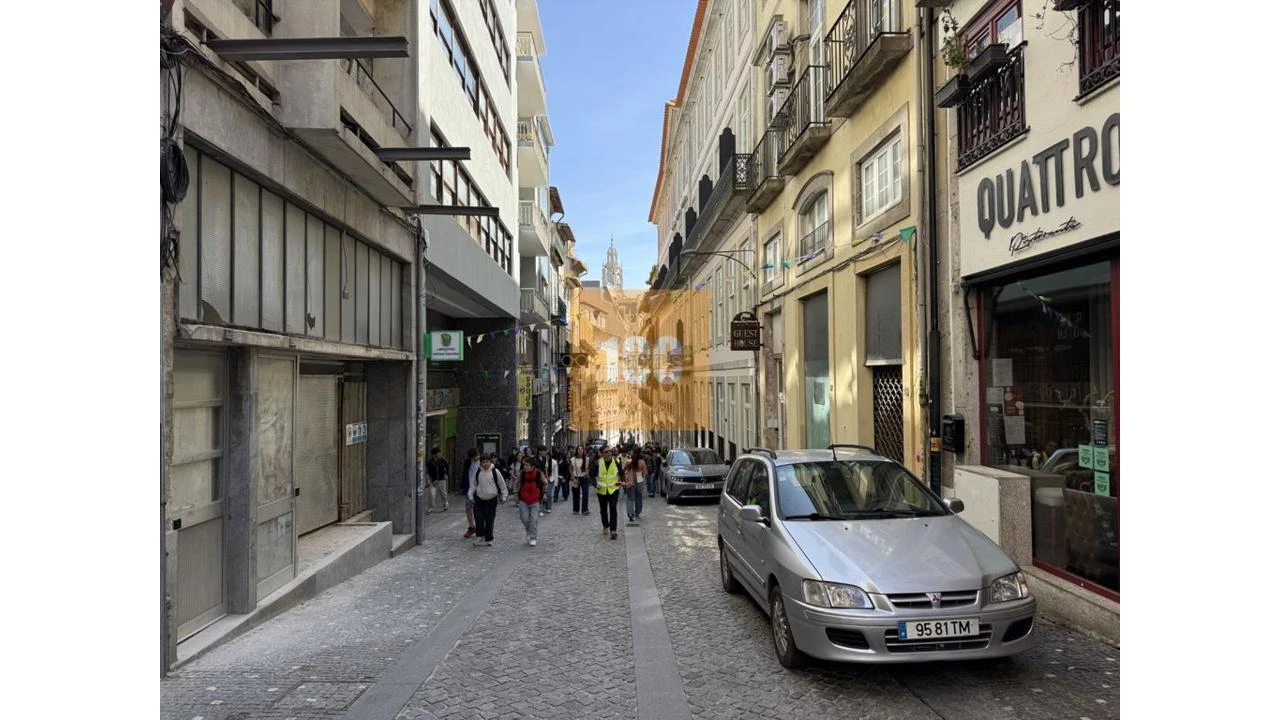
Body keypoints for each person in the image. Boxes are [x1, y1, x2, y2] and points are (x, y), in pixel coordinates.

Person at [467, 454, 507, 546]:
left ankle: (489, 538)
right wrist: (470, 496)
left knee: (490, 520)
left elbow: (502, 485)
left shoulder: (495, 472)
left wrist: (504, 496)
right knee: (479, 519)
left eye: (487, 462)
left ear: (490, 462)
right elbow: (473, 485)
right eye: (483, 462)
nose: (485, 464)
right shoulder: (478, 472)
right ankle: (480, 536)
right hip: (479, 500)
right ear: (481, 463)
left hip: (491, 500)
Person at [590, 446, 623, 539]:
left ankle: (613, 530)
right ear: (601, 454)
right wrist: (595, 484)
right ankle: (605, 525)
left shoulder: (616, 461)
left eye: (610, 451)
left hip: (613, 489)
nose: (609, 453)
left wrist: (622, 481)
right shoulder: (597, 463)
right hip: (602, 490)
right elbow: (591, 476)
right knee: (603, 510)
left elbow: (621, 472)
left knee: (613, 508)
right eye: (606, 452)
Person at [516, 457, 547, 546]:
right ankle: (529, 531)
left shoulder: (538, 473)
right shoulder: (522, 473)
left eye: (527, 465)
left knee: (534, 519)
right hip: (523, 499)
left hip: (535, 500)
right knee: (524, 518)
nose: (525, 467)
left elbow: (545, 482)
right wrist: (515, 493)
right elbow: (516, 482)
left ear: (532, 466)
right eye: (524, 465)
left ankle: (533, 537)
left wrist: (545, 493)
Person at [459, 448, 480, 538]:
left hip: (479, 489)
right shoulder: (467, 462)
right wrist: (463, 487)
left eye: (475, 456)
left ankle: (479, 527)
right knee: (468, 508)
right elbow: (464, 474)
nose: (474, 459)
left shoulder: (482, 462)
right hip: (469, 488)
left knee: (478, 509)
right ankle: (471, 527)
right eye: (472, 457)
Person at [624, 449, 648, 523]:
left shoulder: (629, 462)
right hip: (639, 481)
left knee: (630, 498)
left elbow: (624, 470)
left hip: (630, 482)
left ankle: (630, 514)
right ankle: (637, 512)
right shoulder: (642, 462)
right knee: (639, 498)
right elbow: (646, 473)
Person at [425, 447, 450, 513]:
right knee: (432, 494)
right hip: (433, 480)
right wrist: (432, 480)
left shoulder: (443, 460)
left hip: (442, 479)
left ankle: (445, 504)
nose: (440, 454)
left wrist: (446, 475)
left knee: (443, 493)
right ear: (434, 454)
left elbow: (447, 468)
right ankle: (431, 507)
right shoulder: (429, 462)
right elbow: (429, 472)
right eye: (439, 453)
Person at [570, 445, 591, 516]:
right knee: (576, 494)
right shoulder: (573, 459)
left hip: (584, 478)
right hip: (576, 478)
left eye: (582, 449)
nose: (580, 450)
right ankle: (576, 509)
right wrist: (573, 478)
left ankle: (585, 510)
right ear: (577, 451)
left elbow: (588, 468)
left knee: (585, 493)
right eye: (579, 449)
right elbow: (570, 469)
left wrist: (587, 473)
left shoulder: (587, 459)